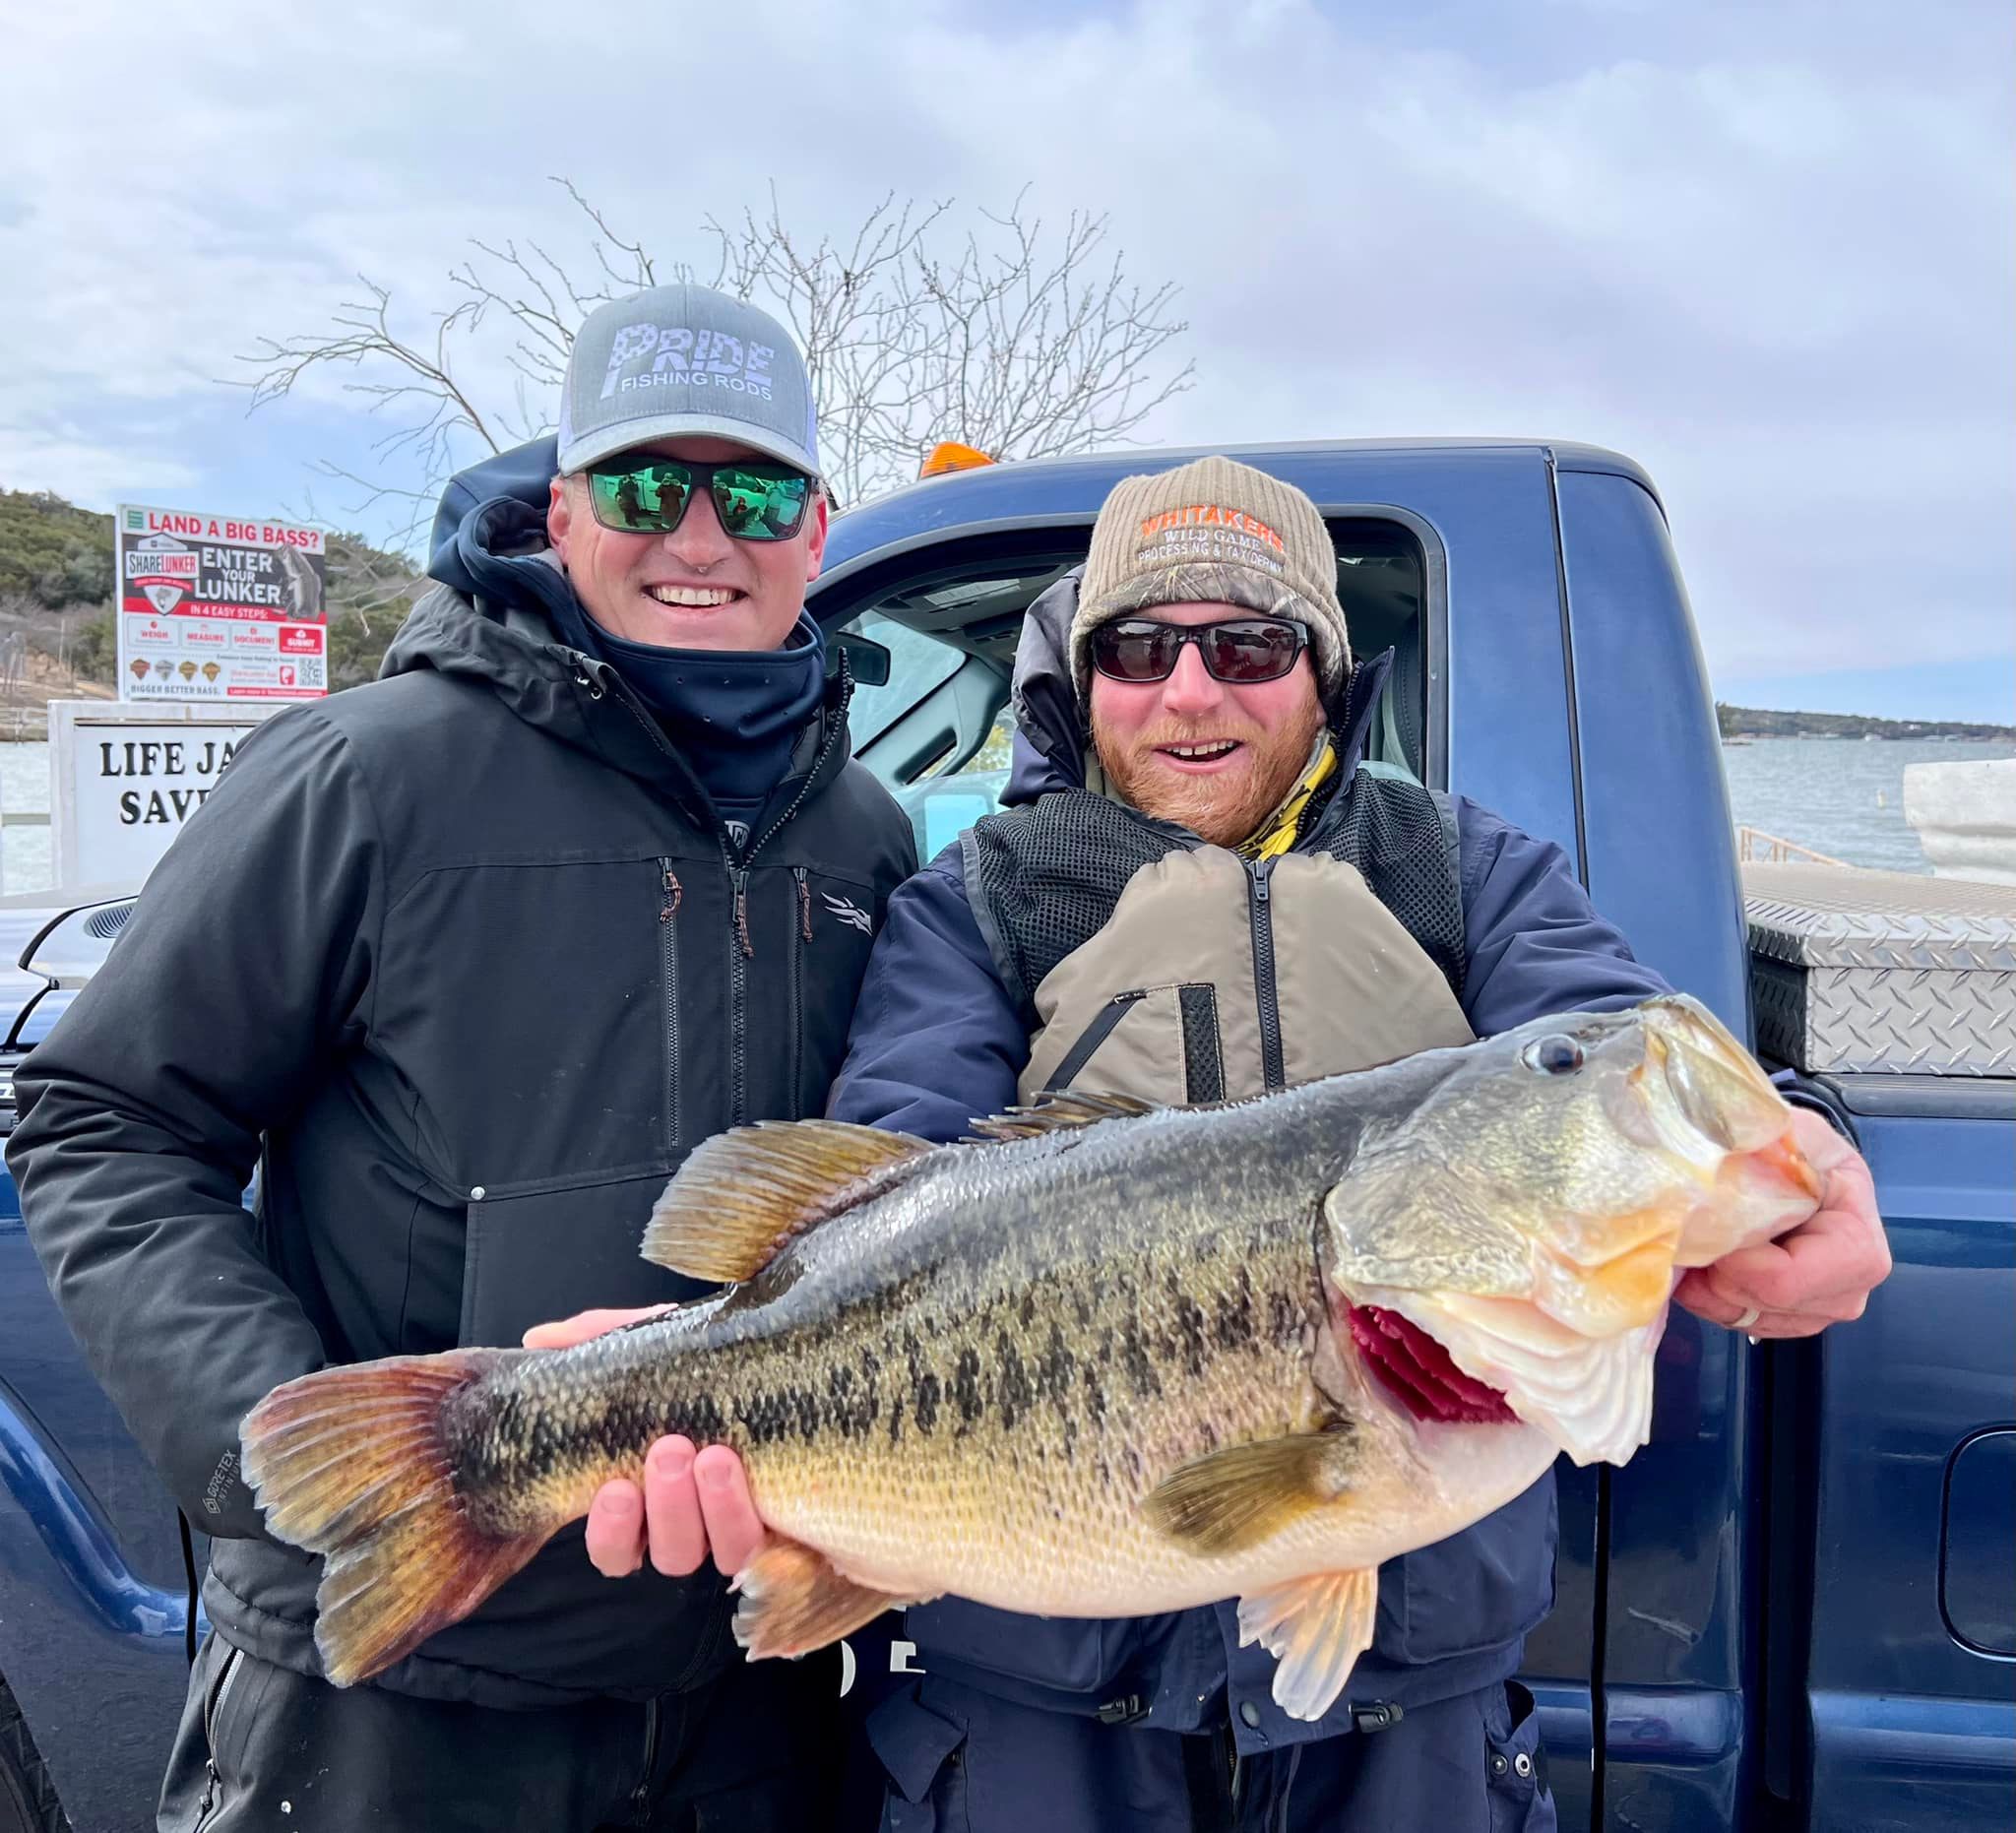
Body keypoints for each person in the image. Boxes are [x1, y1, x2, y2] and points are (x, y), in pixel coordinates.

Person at [556, 456, 1891, 1830]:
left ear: (1322, 671)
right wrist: (687, 1379)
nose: (1190, 692)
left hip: (1409, 1701)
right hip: (1038, 1710)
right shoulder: (982, 901)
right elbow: (894, 1182)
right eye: (1138, 649)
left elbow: (1612, 1041)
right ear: (1085, 679)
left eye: (1249, 646)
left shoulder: (1462, 870)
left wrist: (1808, 1150)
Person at [6, 282, 916, 1832]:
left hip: (740, 1699)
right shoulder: (365, 773)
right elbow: (106, 1120)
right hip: (398, 1687)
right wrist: (290, 1454)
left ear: (817, 531)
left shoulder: (864, 834)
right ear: (562, 512)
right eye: (648, 485)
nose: (702, 535)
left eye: (756, 493)